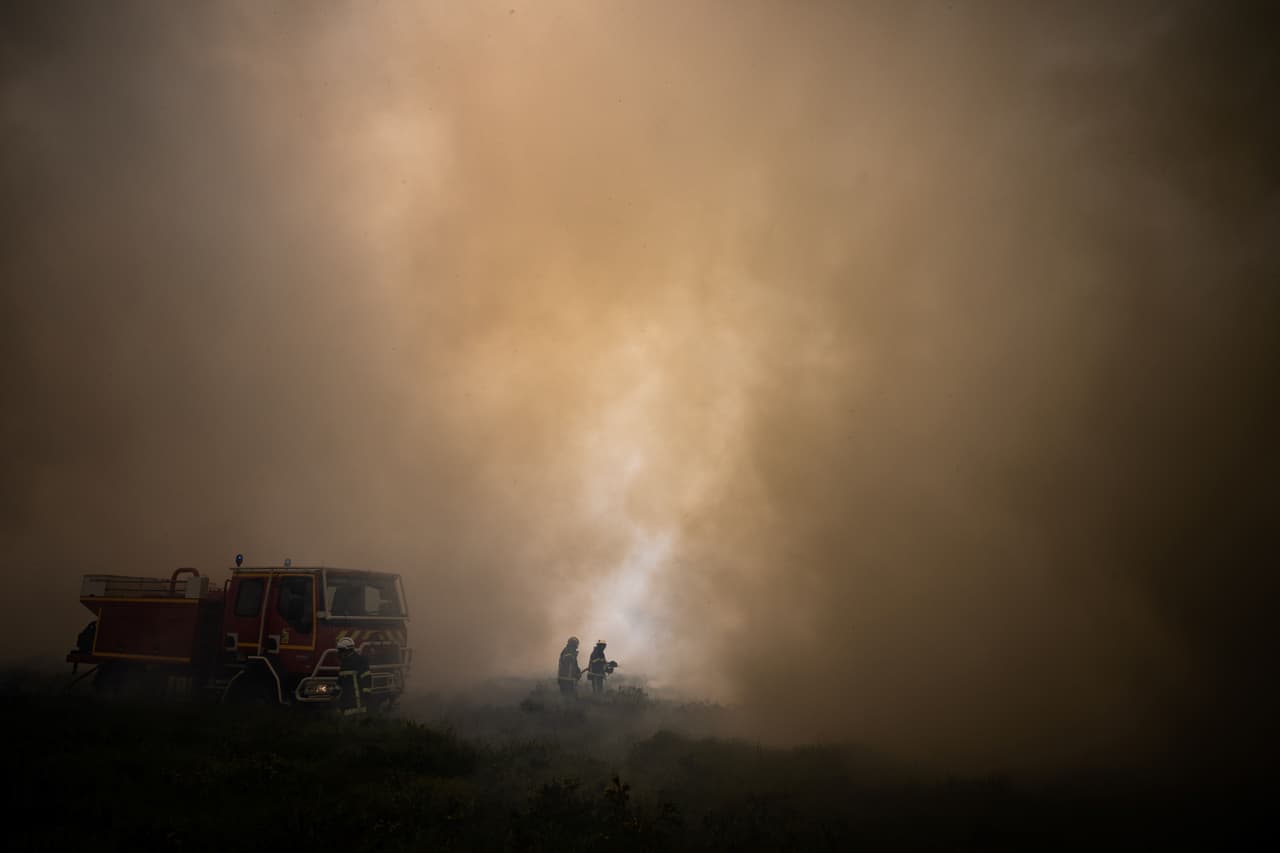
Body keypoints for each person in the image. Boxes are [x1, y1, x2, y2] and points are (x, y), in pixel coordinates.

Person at [335, 636, 372, 716]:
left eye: (340, 651)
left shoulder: (360, 660)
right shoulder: (344, 663)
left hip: (358, 703)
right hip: (348, 703)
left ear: (346, 650)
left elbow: (367, 678)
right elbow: (340, 681)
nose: (339, 653)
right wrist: (334, 693)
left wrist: (366, 694)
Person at [557, 636, 582, 700]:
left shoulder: (572, 653)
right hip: (564, 679)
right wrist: (572, 656)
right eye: (575, 645)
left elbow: (574, 665)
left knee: (571, 697)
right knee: (566, 697)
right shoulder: (566, 651)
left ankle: (569, 708)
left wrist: (578, 672)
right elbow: (566, 660)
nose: (576, 647)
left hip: (570, 679)